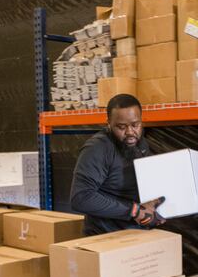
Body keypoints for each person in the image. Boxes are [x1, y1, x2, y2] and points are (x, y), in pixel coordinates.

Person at [70, 94, 165, 236]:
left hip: (135, 233)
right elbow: (80, 198)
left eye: (135, 125)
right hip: (105, 237)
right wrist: (134, 211)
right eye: (121, 127)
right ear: (108, 123)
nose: (130, 132)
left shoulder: (140, 143)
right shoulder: (97, 149)